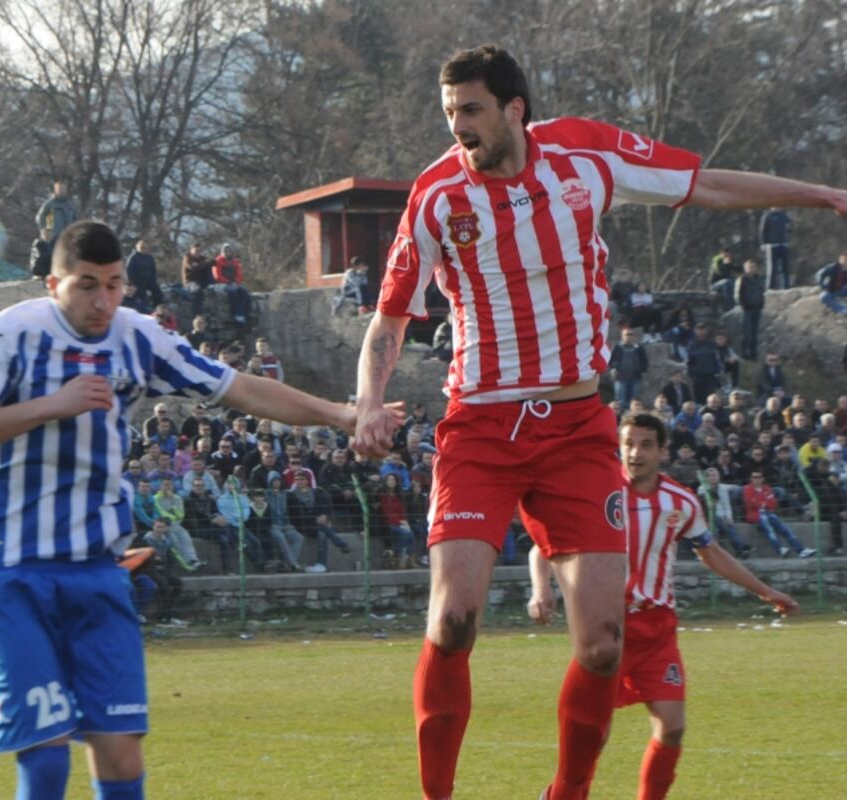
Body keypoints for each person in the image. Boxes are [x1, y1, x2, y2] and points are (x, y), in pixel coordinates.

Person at [351, 44, 847, 800]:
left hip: (578, 428)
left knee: (603, 646)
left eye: (472, 110)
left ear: (514, 109)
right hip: (480, 427)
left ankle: (568, 794)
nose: (458, 127)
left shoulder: (586, 155)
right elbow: (388, 320)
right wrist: (367, 400)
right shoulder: (437, 196)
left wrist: (823, 194)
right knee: (453, 620)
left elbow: (705, 183)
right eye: (450, 112)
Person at [0, 220, 380, 800]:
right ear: (52, 284)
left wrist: (341, 415)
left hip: (97, 570)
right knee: (44, 759)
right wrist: (52, 405)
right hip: (12, 569)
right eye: (86, 285)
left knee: (120, 754)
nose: (103, 301)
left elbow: (240, 388)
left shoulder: (137, 336)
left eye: (114, 285)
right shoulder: (8, 333)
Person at [528, 412, 798, 800]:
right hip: (609, 628)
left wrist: (765, 591)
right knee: (594, 735)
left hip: (657, 630)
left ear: (662, 451)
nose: (635, 453)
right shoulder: (598, 494)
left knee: (672, 727)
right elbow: (542, 547)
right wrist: (541, 590)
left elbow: (711, 552)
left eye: (646, 445)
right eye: (628, 444)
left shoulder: (681, 501)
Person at [741, 471, 816, 558]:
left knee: (785, 529)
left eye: (758, 477)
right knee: (769, 529)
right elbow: (750, 503)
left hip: (768, 512)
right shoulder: (747, 489)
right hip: (755, 514)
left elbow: (773, 504)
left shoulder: (767, 488)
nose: (756, 479)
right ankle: (780, 549)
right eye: (754, 477)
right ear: (751, 479)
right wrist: (764, 503)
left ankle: (801, 550)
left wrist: (761, 503)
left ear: (762, 479)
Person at [33, 180, 80, 274]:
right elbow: (40, 216)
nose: (61, 190)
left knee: (67, 257)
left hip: (67, 236)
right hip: (53, 235)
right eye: (59, 188)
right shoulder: (50, 203)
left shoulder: (70, 205)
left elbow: (76, 219)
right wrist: (43, 229)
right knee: (52, 256)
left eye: (63, 188)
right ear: (55, 189)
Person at [609, 326, 649, 407]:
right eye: (627, 334)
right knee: (621, 402)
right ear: (622, 336)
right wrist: (613, 368)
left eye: (631, 334)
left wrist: (643, 371)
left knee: (634, 402)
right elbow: (611, 360)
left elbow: (644, 361)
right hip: (620, 379)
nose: (629, 336)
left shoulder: (639, 348)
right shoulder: (617, 348)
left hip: (636, 379)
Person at [735, 259, 766, 360]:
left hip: (757, 308)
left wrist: (761, 303)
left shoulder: (759, 279)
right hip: (747, 309)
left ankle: (753, 354)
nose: (752, 269)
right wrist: (743, 305)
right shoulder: (742, 279)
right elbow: (737, 295)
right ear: (745, 268)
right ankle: (744, 353)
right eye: (750, 267)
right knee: (746, 333)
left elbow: (761, 291)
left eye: (753, 266)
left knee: (755, 333)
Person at [758, 206, 791, 289]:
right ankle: (770, 287)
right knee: (772, 268)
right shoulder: (768, 216)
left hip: (783, 244)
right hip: (772, 245)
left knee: (785, 267)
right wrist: (763, 243)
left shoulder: (784, 216)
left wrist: (788, 240)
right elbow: (762, 231)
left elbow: (789, 228)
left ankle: (786, 286)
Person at [125, 239, 163, 308]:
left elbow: (153, 270)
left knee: (157, 291)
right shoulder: (133, 258)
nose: (144, 249)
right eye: (142, 247)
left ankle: (158, 307)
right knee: (142, 294)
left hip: (149, 280)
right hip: (138, 281)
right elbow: (129, 270)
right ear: (138, 248)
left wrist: (154, 280)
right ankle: (144, 308)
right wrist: (132, 283)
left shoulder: (149, 258)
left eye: (145, 248)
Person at [816, 251, 847, 316]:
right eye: (844, 259)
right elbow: (819, 274)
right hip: (831, 290)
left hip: (842, 289)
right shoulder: (833, 267)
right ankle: (843, 309)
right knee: (823, 297)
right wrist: (823, 285)